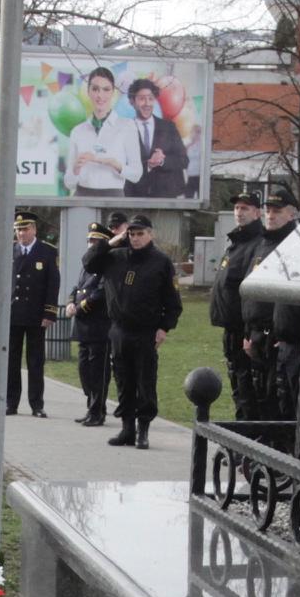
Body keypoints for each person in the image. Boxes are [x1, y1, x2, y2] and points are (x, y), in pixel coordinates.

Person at [87, 213, 181, 450]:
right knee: (123, 380)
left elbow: (173, 301)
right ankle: (127, 429)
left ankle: (143, 430)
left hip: (146, 331)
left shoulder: (161, 261)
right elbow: (88, 262)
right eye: (132, 233)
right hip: (119, 329)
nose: (136, 238)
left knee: (144, 381)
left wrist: (163, 328)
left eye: (141, 234)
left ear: (150, 234)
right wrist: (110, 241)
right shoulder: (115, 256)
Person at [238, 187, 300, 420]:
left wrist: (278, 333)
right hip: (256, 336)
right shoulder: (263, 245)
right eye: (268, 210)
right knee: (256, 398)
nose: (271, 215)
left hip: (277, 338)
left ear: (291, 214)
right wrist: (248, 333)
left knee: (277, 403)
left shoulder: (293, 246)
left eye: (277, 211)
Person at [210, 188, 266, 415]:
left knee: (246, 387)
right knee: (237, 383)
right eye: (236, 207)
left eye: (245, 208)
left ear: (257, 212)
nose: (239, 212)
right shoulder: (237, 241)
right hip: (231, 328)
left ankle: (246, 435)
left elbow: (251, 291)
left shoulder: (256, 243)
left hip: (243, 330)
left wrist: (249, 332)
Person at [6, 208, 58, 418]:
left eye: (25, 229)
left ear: (34, 229)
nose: (21, 233)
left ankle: (37, 404)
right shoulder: (9, 250)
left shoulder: (47, 251)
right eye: (18, 229)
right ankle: (11, 403)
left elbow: (53, 284)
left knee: (35, 361)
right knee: (11, 361)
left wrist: (49, 313)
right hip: (13, 314)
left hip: (36, 315)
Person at [67, 219, 115, 427]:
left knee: (98, 372)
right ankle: (91, 407)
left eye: (96, 241)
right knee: (84, 370)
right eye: (89, 240)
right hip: (83, 327)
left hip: (98, 326)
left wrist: (80, 307)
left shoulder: (107, 265)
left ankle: (98, 411)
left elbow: (101, 293)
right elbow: (77, 288)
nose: (91, 244)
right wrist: (70, 302)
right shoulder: (87, 265)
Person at [59, 66, 133, 198]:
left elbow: (136, 174)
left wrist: (116, 165)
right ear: (88, 92)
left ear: (113, 92)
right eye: (95, 89)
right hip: (82, 197)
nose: (100, 95)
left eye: (106, 89)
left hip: (114, 197)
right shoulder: (78, 131)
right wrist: (75, 169)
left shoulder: (126, 126)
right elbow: (69, 183)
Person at [120, 76, 189, 201]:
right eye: (141, 99)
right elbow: (120, 166)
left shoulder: (169, 127)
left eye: (150, 99)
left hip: (166, 198)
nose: (147, 103)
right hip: (134, 197)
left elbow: (184, 160)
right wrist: (149, 165)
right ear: (132, 101)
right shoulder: (124, 130)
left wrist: (162, 161)